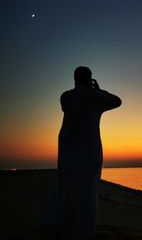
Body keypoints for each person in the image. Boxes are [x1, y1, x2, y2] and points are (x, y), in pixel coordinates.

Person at [38, 66, 122, 239]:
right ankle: (84, 232)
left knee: (67, 187)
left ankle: (64, 226)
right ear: (90, 79)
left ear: (75, 78)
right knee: (88, 190)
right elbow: (117, 101)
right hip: (89, 149)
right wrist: (98, 90)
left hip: (68, 148)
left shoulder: (66, 96)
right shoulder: (96, 97)